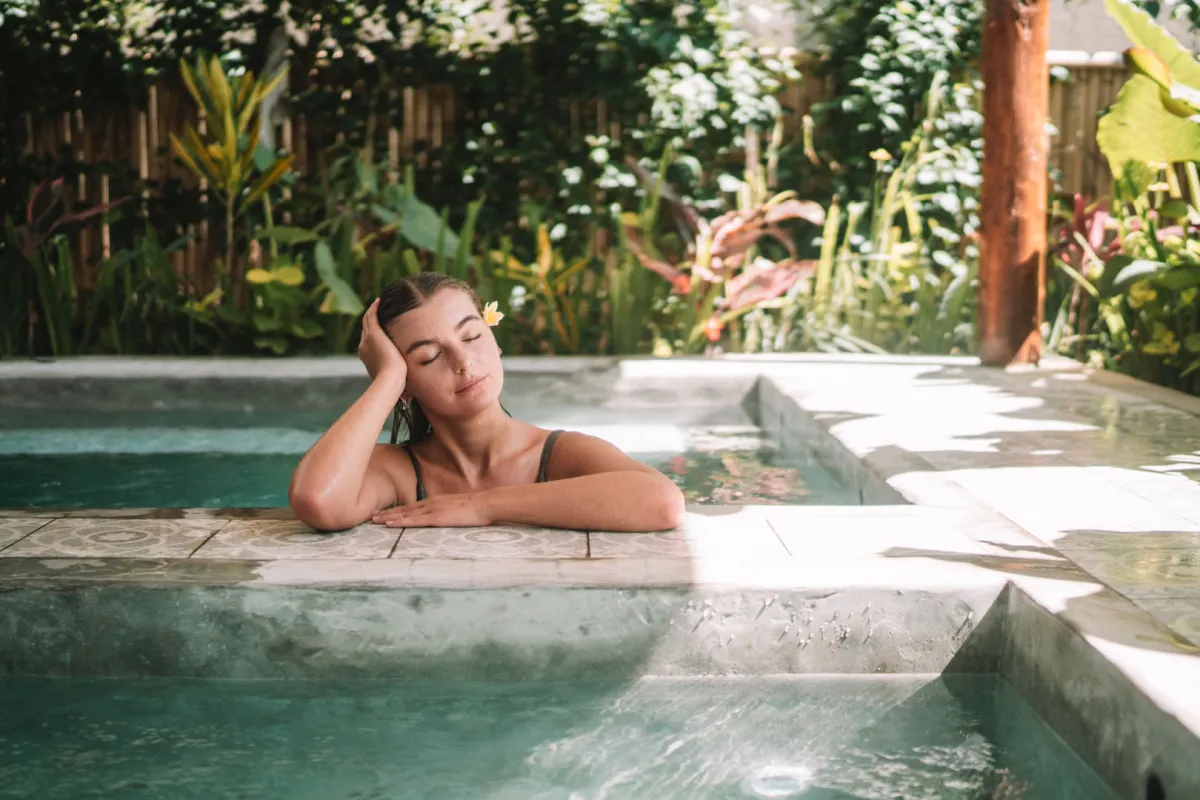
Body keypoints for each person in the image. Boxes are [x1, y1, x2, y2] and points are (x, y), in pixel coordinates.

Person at [289, 273, 685, 532]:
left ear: (494, 340)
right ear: (406, 385)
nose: (463, 362)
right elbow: (318, 501)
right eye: (429, 357)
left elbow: (662, 501)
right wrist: (388, 379)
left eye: (472, 336)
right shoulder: (400, 472)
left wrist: (483, 506)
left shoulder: (556, 454)